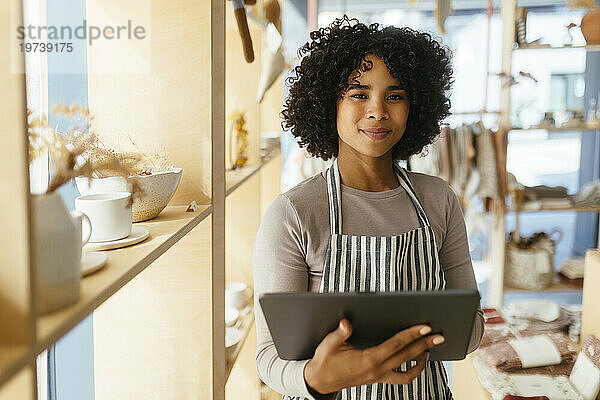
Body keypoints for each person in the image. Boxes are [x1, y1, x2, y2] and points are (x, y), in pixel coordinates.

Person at [253, 15, 484, 400]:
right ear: (330, 102)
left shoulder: (439, 199)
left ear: (415, 106)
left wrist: (444, 331)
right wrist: (317, 378)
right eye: (359, 94)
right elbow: (268, 357)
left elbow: (470, 331)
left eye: (394, 96)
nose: (377, 111)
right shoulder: (294, 213)